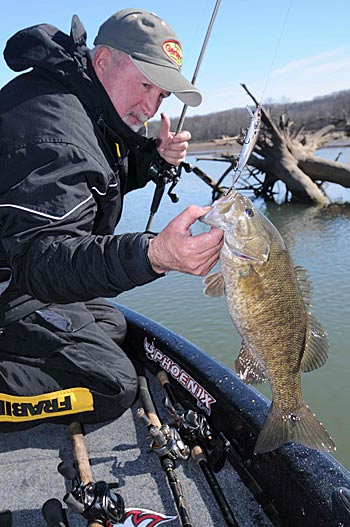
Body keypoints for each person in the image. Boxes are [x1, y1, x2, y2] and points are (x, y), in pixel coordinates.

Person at [0, 9, 223, 431]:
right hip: (16, 278)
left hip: (18, 268)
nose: (150, 105)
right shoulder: (53, 130)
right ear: (103, 60)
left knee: (112, 323)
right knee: (111, 383)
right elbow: (41, 262)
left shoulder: (82, 102)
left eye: (161, 95)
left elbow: (94, 181)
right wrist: (153, 254)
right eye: (144, 84)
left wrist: (150, 158)